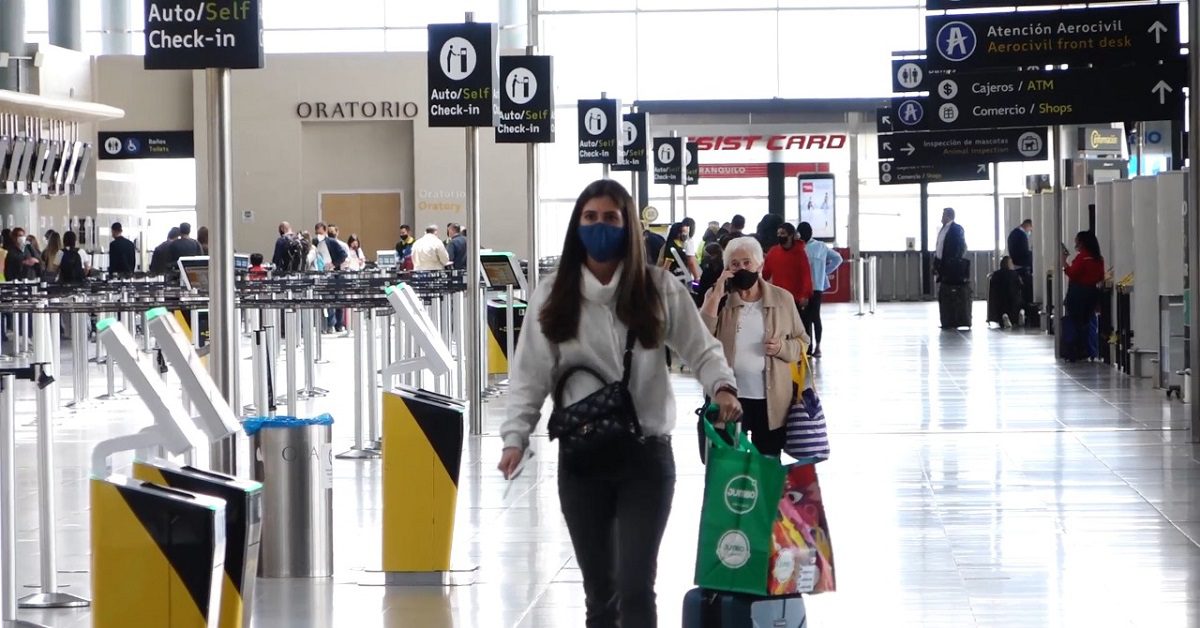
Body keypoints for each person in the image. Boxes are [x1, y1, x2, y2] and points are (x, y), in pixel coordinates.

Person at [498, 179, 741, 628]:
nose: (600, 226)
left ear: (628, 225)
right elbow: (529, 373)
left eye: (611, 218)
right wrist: (514, 437)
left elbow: (700, 348)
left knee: (635, 586)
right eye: (590, 217)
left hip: (645, 457)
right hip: (582, 459)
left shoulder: (658, 288)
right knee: (601, 595)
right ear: (577, 226)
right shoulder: (553, 295)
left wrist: (722, 386)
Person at [700, 236, 807, 457]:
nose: (741, 268)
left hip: (770, 400)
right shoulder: (718, 297)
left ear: (759, 264)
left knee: (767, 462)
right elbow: (700, 338)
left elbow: (802, 342)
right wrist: (716, 295)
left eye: (747, 262)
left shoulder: (782, 299)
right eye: (735, 264)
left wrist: (781, 348)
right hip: (728, 397)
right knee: (727, 465)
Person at [800, 221, 843, 357]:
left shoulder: (820, 246)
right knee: (806, 318)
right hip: (804, 287)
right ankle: (809, 346)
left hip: (815, 287)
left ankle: (816, 346)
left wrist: (824, 271)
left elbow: (838, 259)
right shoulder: (799, 247)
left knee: (814, 317)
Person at [1062, 231, 1105, 361]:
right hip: (1092, 293)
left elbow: (1072, 273)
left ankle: (1075, 350)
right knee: (1089, 322)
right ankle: (1090, 350)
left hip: (1077, 294)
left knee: (1075, 322)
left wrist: (1064, 263)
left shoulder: (1083, 257)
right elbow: (1100, 276)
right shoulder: (1098, 258)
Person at [762, 222, 814, 322]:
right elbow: (766, 273)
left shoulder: (800, 253)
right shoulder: (773, 252)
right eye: (778, 234)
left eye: (782, 233)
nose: (780, 236)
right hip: (779, 298)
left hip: (796, 298)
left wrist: (805, 294)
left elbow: (806, 275)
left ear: (790, 235)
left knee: (799, 326)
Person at [934, 208, 970, 329]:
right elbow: (939, 247)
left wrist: (953, 261)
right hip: (942, 264)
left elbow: (960, 246)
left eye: (943, 214)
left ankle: (953, 319)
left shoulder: (956, 229)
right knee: (944, 293)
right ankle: (946, 320)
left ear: (948, 216)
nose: (941, 217)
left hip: (951, 266)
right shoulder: (943, 229)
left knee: (950, 292)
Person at [987, 256, 1024, 329]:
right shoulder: (1014, 274)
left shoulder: (995, 274)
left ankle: (1004, 317)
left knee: (1001, 311)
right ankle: (1018, 316)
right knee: (1018, 305)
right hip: (1013, 300)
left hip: (1000, 301)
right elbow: (1021, 285)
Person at [1007, 218, 1034, 306]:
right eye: (1030, 229)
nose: (1030, 232)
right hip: (1022, 265)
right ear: (1028, 226)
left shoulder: (1013, 233)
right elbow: (1024, 252)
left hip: (1016, 263)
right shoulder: (1021, 235)